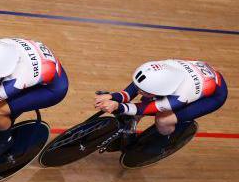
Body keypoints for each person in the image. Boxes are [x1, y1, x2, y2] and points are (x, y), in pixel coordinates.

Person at [95, 60, 227, 153]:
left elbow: (144, 108)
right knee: (140, 105)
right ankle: (128, 131)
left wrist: (118, 106)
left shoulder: (178, 98)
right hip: (193, 76)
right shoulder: (153, 71)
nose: (139, 91)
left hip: (213, 96)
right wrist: (113, 97)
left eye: (143, 90)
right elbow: (129, 93)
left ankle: (164, 141)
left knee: (163, 120)